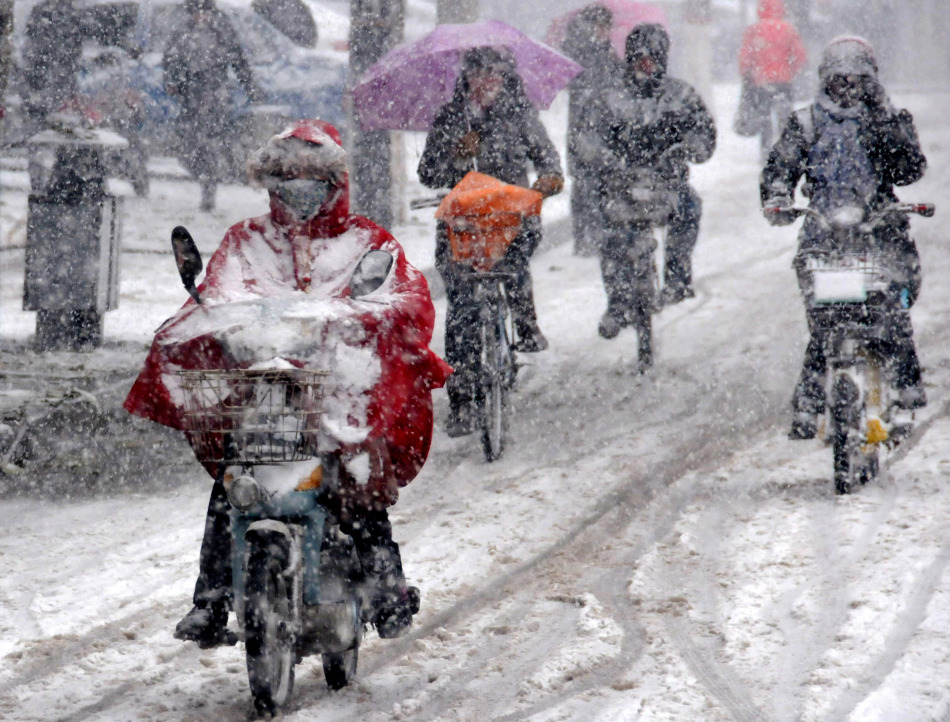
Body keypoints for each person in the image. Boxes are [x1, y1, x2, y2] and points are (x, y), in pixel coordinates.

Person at [124, 119, 451, 644]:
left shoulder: (368, 241)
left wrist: (363, 321)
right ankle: (210, 600)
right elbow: (218, 297)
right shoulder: (246, 240)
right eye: (287, 174)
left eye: (311, 175)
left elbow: (403, 297)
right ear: (271, 179)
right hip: (262, 397)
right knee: (232, 482)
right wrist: (188, 328)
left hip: (337, 395)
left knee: (359, 476)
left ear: (334, 181)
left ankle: (387, 585)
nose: (298, 185)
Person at [760, 36, 927, 440]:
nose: (847, 86)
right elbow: (779, 169)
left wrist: (885, 120)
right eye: (839, 79)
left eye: (856, 79)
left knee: (894, 306)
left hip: (881, 230)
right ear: (825, 80)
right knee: (825, 320)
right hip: (824, 233)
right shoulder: (806, 123)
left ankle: (906, 389)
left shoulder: (887, 118)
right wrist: (779, 197)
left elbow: (909, 170)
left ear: (870, 80)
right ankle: (810, 399)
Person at [417, 46, 564, 436]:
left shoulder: (519, 115)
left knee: (514, 267)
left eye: (495, 75)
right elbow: (429, 174)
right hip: (464, 226)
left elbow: (548, 159)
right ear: (466, 79)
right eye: (479, 75)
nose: (488, 83)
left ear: (506, 78)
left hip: (510, 219)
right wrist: (455, 155)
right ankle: (462, 401)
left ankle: (525, 323)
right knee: (462, 308)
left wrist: (548, 180)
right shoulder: (451, 118)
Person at [580, 23, 715, 352]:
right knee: (610, 231)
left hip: (667, 184)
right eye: (639, 57)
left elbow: (703, 133)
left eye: (652, 57)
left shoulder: (680, 95)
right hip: (620, 185)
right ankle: (617, 302)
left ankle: (677, 279)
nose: (645, 64)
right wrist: (604, 158)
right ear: (629, 59)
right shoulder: (608, 98)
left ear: (663, 59)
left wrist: (684, 150)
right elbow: (587, 136)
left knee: (689, 207)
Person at [162, 0, 260, 212]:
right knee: (188, 147)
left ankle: (209, 188)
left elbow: (239, 62)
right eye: (197, 13)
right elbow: (169, 63)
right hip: (190, 99)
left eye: (205, 12)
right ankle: (206, 176)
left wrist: (250, 87)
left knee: (210, 145)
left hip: (216, 98)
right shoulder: (181, 35)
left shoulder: (222, 33)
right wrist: (173, 81)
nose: (201, 17)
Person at [562, 4, 624, 257]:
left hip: (602, 127)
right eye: (601, 26)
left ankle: (595, 235)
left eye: (606, 27)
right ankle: (586, 237)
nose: (604, 31)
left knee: (599, 182)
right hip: (584, 127)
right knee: (585, 183)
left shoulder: (605, 52)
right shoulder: (580, 52)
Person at [737, 0, 807, 159]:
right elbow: (799, 56)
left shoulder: (754, 30)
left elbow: (746, 56)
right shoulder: (788, 29)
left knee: (765, 119)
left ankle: (766, 152)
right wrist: (790, 71)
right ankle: (787, 151)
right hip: (784, 81)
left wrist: (747, 73)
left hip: (761, 81)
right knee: (785, 118)